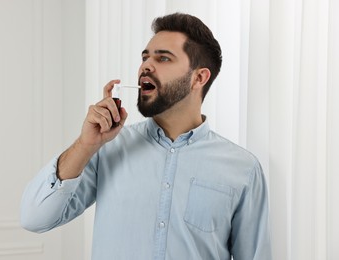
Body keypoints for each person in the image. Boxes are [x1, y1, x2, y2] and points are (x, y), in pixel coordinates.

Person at [21, 12, 272, 260]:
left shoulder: (243, 169)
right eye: (145, 57)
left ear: (199, 77)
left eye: (163, 58)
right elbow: (34, 217)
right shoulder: (108, 148)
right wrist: (85, 145)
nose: (145, 66)